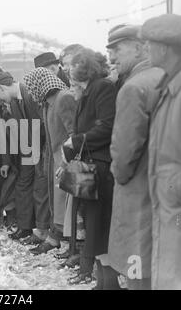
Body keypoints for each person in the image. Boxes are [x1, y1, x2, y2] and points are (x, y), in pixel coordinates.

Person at [106, 24, 164, 290]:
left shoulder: (134, 87)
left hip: (139, 196)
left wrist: (118, 172)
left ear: (141, 47)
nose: (112, 58)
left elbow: (124, 154)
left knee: (137, 271)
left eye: (117, 49)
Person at [62, 48, 117, 285]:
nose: (68, 71)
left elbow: (107, 126)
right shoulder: (89, 91)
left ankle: (108, 283)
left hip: (99, 169)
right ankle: (103, 282)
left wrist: (75, 141)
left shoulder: (101, 88)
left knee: (99, 229)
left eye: (71, 66)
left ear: (84, 69)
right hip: (90, 166)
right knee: (93, 228)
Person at [141, 13, 181, 290]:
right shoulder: (167, 88)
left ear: (165, 48)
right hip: (167, 207)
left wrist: (174, 186)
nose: (145, 50)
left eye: (149, 44)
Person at [0, 72, 49, 242]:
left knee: (40, 189)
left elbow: (43, 124)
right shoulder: (15, 100)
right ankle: (27, 228)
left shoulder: (29, 94)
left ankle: (41, 230)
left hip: (41, 150)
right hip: (30, 152)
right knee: (26, 188)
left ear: (2, 88)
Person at [23, 67, 76, 255]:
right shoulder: (47, 103)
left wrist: (64, 163)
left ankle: (71, 247)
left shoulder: (63, 98)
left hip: (66, 162)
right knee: (56, 205)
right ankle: (57, 240)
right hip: (54, 160)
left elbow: (74, 134)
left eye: (31, 87)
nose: (30, 92)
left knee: (67, 208)